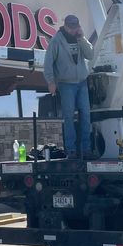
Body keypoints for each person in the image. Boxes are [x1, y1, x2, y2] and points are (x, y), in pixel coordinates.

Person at [43, 14, 95, 159]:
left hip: (82, 82)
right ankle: (71, 150)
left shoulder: (80, 38)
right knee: (69, 116)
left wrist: (82, 38)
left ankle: (86, 149)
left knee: (86, 114)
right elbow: (48, 64)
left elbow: (90, 55)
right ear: (65, 26)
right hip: (66, 84)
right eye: (71, 28)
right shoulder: (56, 41)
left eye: (75, 27)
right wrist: (51, 82)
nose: (73, 30)